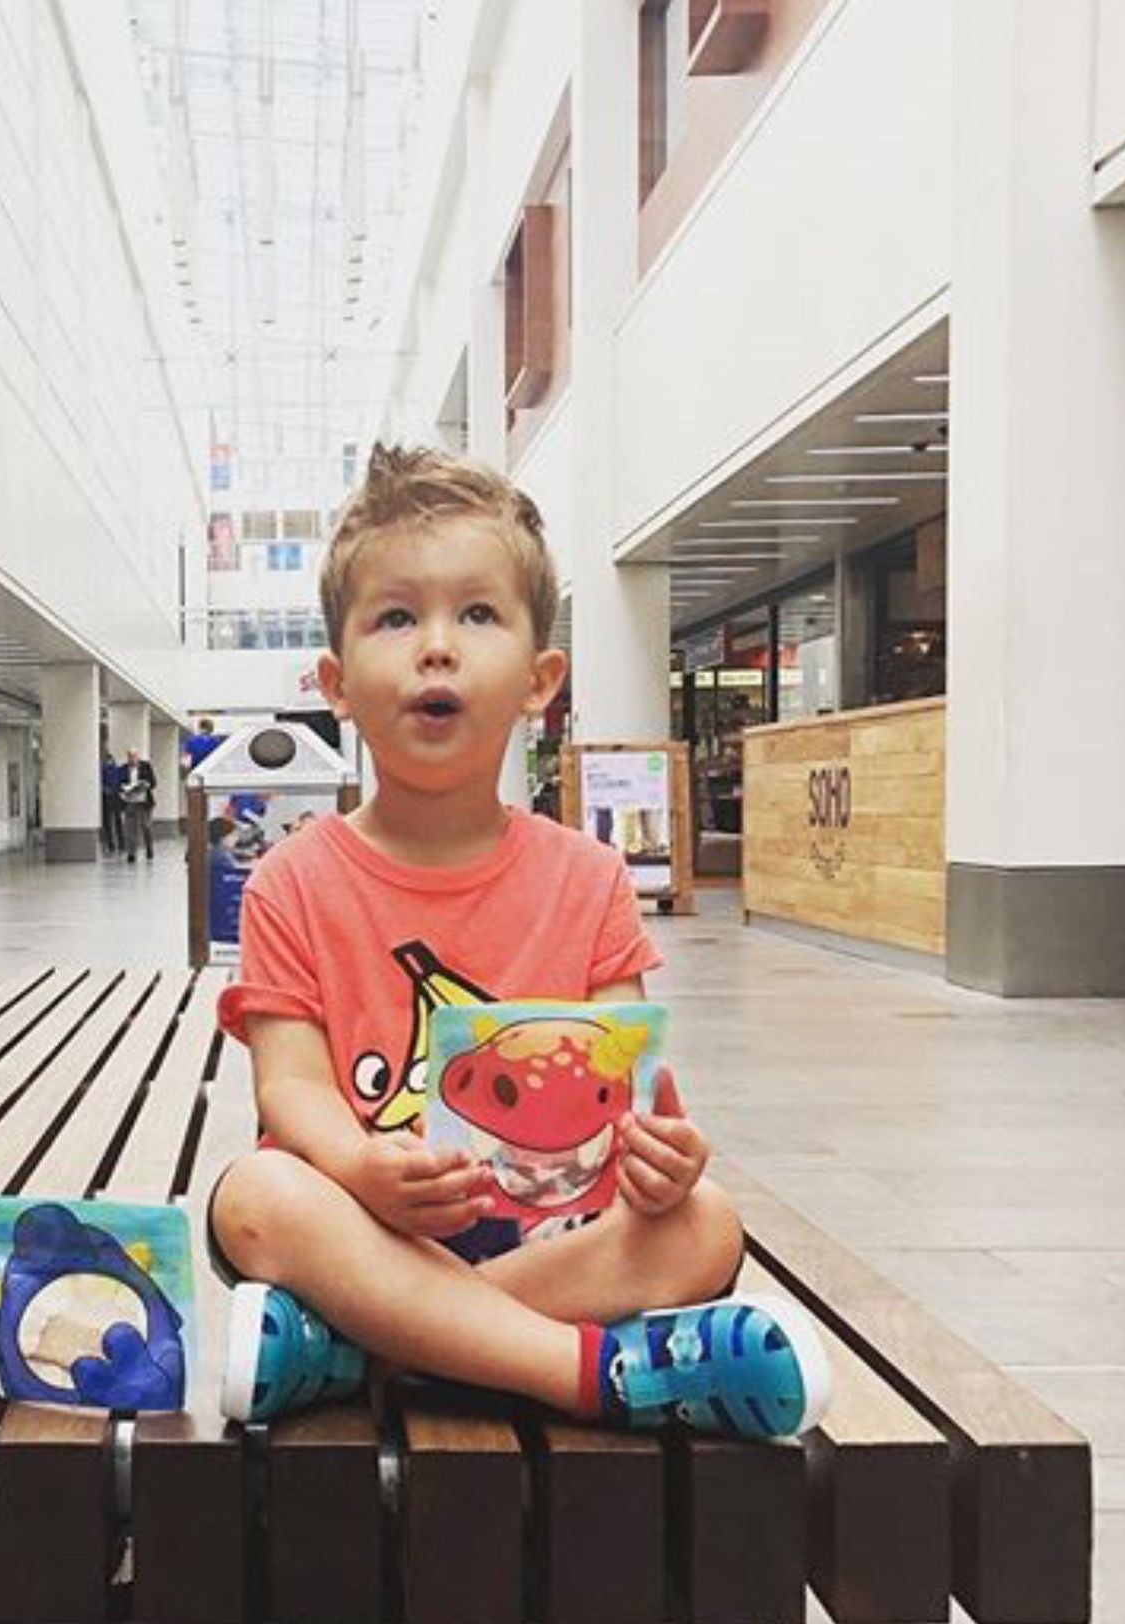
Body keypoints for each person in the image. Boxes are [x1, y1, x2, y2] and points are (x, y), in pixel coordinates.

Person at [210, 442, 833, 1441]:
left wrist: (656, 1158)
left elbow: (617, 1083)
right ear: (334, 679)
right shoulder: (291, 878)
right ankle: (586, 1372)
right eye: (395, 616)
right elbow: (288, 1088)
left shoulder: (587, 877)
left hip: (548, 1223)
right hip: (364, 1217)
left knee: (704, 1220)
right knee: (255, 1191)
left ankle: (362, 1345)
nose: (436, 646)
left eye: (477, 613)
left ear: (539, 679)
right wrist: (363, 1164)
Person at [117, 744, 157, 862]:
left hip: (144, 802)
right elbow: (118, 785)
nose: (132, 759)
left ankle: (149, 849)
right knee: (130, 829)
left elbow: (153, 783)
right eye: (130, 756)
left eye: (134, 756)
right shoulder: (122, 769)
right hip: (130, 802)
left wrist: (145, 785)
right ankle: (131, 853)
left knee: (146, 826)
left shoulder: (146, 766)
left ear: (138, 757)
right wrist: (124, 789)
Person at [99, 752, 125, 856]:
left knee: (109, 823)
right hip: (115, 797)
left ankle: (112, 845)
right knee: (117, 822)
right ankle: (120, 844)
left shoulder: (103, 770)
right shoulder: (117, 770)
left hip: (108, 797)